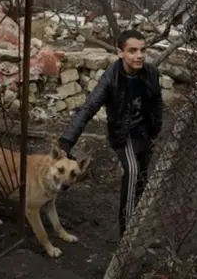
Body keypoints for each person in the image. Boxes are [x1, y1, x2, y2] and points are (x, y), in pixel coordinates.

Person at [58, 29, 164, 239]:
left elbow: (157, 103)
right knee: (132, 172)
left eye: (143, 50)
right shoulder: (111, 78)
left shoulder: (151, 72)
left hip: (145, 133)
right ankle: (127, 236)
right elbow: (88, 109)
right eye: (132, 50)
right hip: (123, 133)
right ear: (120, 53)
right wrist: (66, 142)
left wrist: (155, 129)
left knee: (141, 178)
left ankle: (137, 224)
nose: (139, 55)